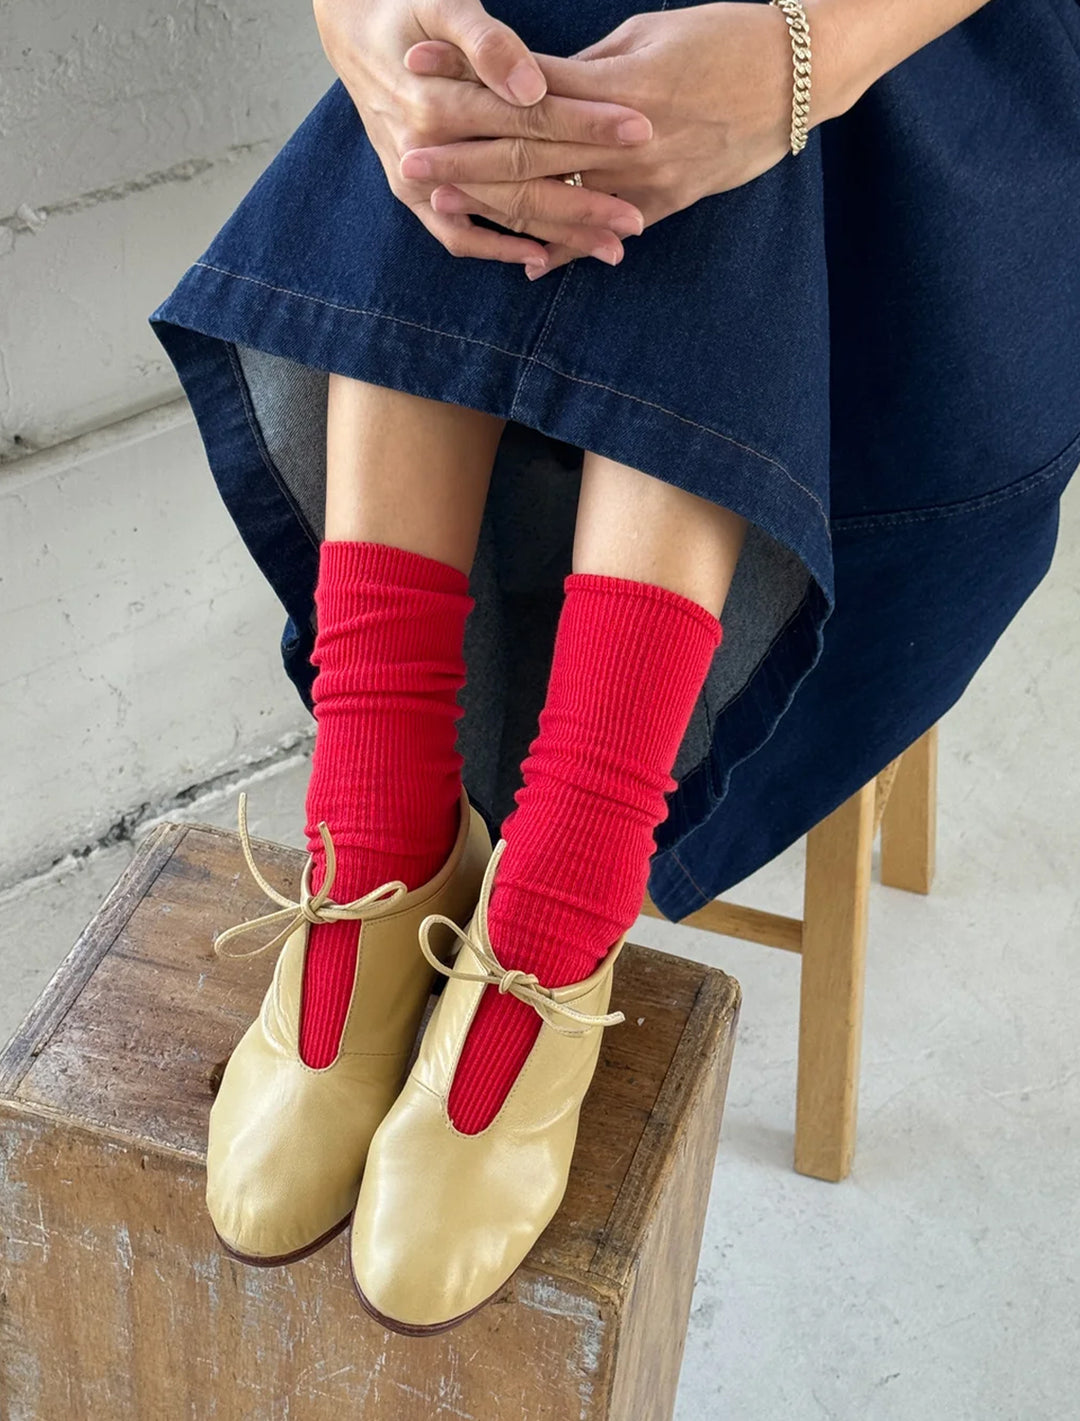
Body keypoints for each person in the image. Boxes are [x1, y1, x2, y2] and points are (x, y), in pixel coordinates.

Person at [149, 0, 1080, 1333]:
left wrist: (794, 62)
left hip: (929, 98)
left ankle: (554, 904)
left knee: (642, 47)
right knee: (495, 38)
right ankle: (383, 836)